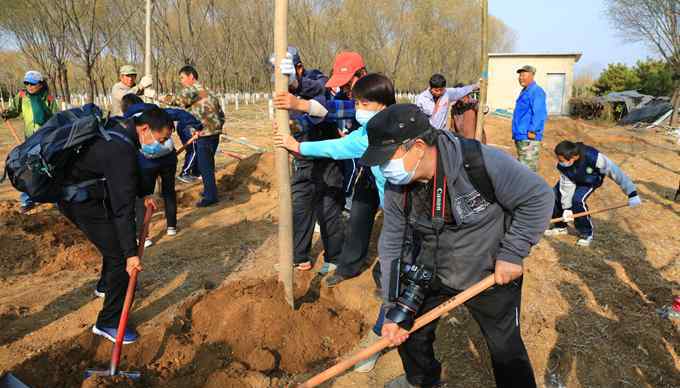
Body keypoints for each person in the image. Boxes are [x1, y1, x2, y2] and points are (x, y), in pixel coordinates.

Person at [360, 104, 554, 388]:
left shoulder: (478, 162)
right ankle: (422, 381)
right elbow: (391, 243)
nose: (383, 168)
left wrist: (512, 252)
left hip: (487, 271)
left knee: (505, 349)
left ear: (417, 146)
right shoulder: (396, 187)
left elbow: (539, 197)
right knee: (410, 331)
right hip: (432, 266)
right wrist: (392, 308)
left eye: (387, 158)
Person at [58, 106, 173, 344]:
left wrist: (143, 193)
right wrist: (131, 254)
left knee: (113, 247)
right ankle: (108, 322)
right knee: (120, 256)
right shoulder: (120, 150)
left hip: (89, 192)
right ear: (144, 129)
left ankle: (104, 286)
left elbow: (127, 177)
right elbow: (123, 210)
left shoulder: (120, 128)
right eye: (161, 139)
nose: (161, 145)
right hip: (82, 202)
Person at [272, 50, 364, 272]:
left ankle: (334, 256)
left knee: (328, 208)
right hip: (302, 156)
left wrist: (297, 86)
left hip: (328, 156)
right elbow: (302, 120)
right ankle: (299, 256)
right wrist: (294, 127)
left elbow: (323, 100)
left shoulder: (316, 79)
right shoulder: (282, 91)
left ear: (299, 68)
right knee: (300, 206)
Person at [121, 95, 198, 247]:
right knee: (168, 191)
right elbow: (180, 113)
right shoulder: (156, 112)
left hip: (146, 164)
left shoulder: (129, 120)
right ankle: (172, 227)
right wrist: (198, 125)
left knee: (143, 197)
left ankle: (144, 236)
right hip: (168, 160)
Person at [544, 140, 641, 247]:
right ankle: (560, 226)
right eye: (558, 159)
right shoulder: (563, 165)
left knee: (577, 200)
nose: (559, 162)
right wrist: (567, 208)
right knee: (556, 195)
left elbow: (615, 172)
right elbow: (566, 185)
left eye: (561, 160)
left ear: (574, 157)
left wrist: (632, 192)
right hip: (572, 179)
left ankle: (586, 233)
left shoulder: (593, 156)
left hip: (589, 181)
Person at [161, 65, 225, 207]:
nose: (181, 81)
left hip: (206, 134)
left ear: (191, 76)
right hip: (214, 132)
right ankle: (210, 191)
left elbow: (175, 100)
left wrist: (153, 94)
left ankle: (210, 197)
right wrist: (215, 128)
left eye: (182, 78)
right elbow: (220, 114)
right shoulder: (207, 91)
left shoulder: (193, 89)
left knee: (205, 166)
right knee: (208, 163)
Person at [1, 70, 58, 212]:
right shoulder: (21, 96)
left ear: (40, 84)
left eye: (32, 83)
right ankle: (27, 200)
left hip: (46, 137)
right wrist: (6, 113)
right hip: (29, 138)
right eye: (26, 83)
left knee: (49, 166)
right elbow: (14, 110)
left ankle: (56, 197)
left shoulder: (48, 99)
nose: (29, 86)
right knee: (28, 167)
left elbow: (56, 117)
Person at [512, 65, 547, 172]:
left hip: (529, 137)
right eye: (520, 75)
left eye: (524, 75)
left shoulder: (536, 91)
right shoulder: (525, 91)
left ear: (532, 75)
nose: (521, 78)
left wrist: (533, 129)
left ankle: (531, 189)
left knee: (528, 170)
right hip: (521, 135)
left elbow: (539, 113)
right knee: (523, 166)